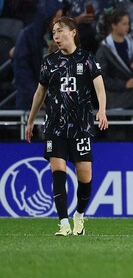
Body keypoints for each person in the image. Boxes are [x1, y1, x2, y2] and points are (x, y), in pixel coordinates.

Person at [24, 16, 109, 236]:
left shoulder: (87, 59)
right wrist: (30, 120)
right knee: (58, 173)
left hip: (81, 126)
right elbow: (39, 93)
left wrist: (101, 110)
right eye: (54, 32)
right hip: (55, 126)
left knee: (85, 178)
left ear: (73, 32)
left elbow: (99, 87)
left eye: (60, 30)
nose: (56, 36)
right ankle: (63, 223)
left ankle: (79, 215)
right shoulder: (49, 62)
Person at [95, 9, 133, 111]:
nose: (127, 27)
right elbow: (101, 78)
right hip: (115, 101)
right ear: (114, 25)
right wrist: (124, 85)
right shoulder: (104, 50)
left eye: (128, 24)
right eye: (124, 24)